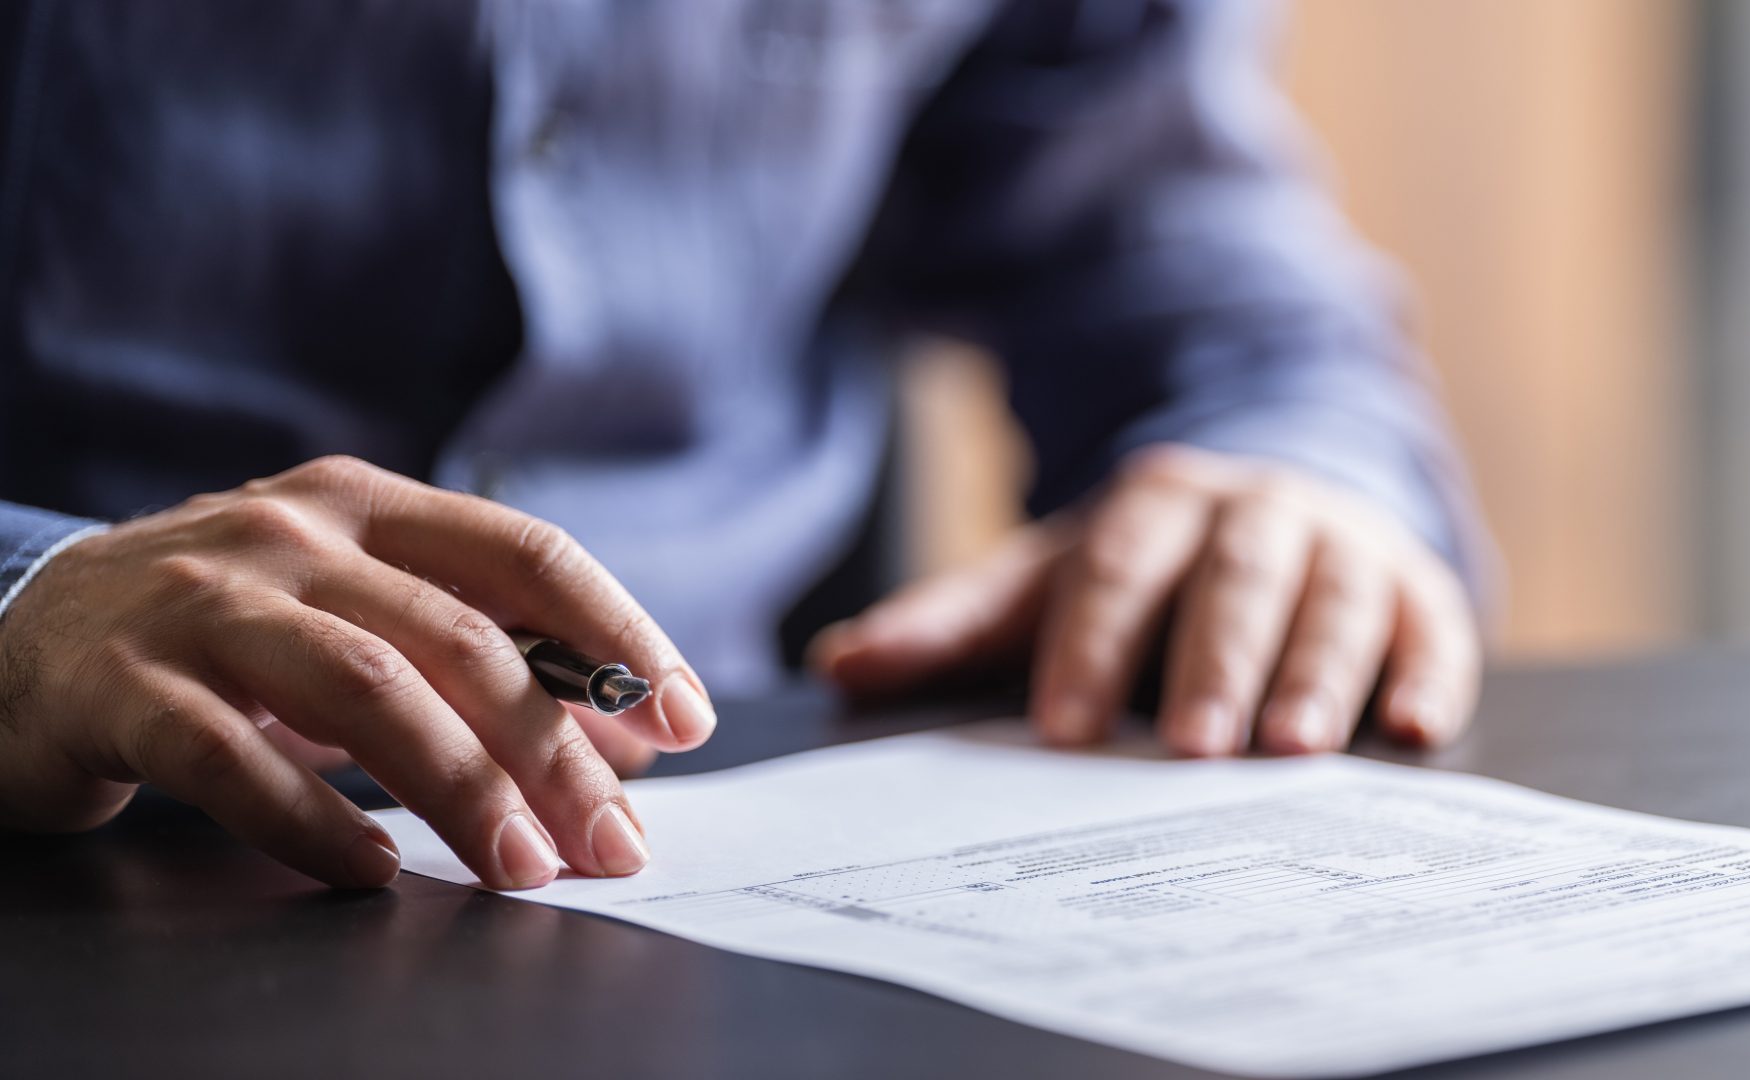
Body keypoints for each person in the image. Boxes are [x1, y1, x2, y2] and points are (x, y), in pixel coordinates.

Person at [0, 2, 1488, 892]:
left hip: (723, 849)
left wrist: (1296, 465)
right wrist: (29, 599)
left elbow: (1183, 243)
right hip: (74, 858)